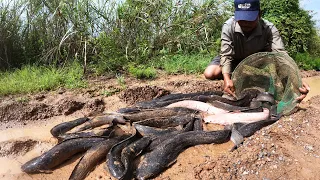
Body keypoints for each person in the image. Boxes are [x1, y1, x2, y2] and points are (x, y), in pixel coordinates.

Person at [203, 0, 310, 102]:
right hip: (234, 58)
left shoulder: (269, 28)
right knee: (210, 73)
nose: (245, 23)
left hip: (257, 60)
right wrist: (227, 78)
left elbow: (281, 55)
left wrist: (297, 80)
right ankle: (238, 74)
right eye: (241, 19)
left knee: (279, 64)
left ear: (259, 14)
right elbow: (226, 55)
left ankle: (258, 76)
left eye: (249, 19)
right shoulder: (228, 26)